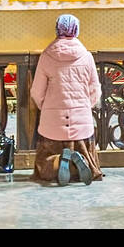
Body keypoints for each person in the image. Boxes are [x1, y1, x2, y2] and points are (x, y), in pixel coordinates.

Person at [31, 14, 103, 185]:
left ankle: (58, 162)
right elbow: (95, 89)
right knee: (84, 149)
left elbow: (37, 91)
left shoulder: (47, 56)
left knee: (45, 165)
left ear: (57, 29)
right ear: (76, 30)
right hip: (81, 118)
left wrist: (46, 108)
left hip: (52, 121)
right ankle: (79, 165)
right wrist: (86, 106)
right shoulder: (86, 56)